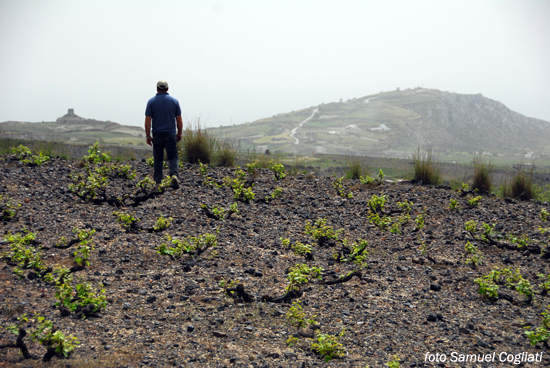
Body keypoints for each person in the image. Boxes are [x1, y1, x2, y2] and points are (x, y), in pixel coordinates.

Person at [144, 80, 183, 189]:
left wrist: (148, 135)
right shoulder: (174, 101)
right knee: (173, 156)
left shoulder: (151, 102)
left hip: (157, 134)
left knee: (158, 158)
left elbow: (148, 120)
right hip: (170, 133)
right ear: (167, 88)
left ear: (157, 89)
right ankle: (174, 175)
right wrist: (179, 133)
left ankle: (157, 181)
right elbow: (179, 120)